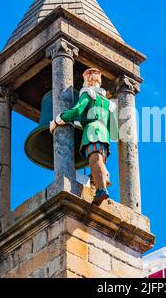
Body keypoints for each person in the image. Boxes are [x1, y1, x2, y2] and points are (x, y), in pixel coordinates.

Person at [49, 68, 118, 205]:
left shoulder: (88, 94)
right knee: (99, 160)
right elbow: (115, 133)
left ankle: (102, 189)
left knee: (94, 161)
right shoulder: (109, 104)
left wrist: (58, 119)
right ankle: (103, 181)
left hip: (92, 131)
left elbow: (77, 110)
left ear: (87, 80)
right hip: (104, 134)